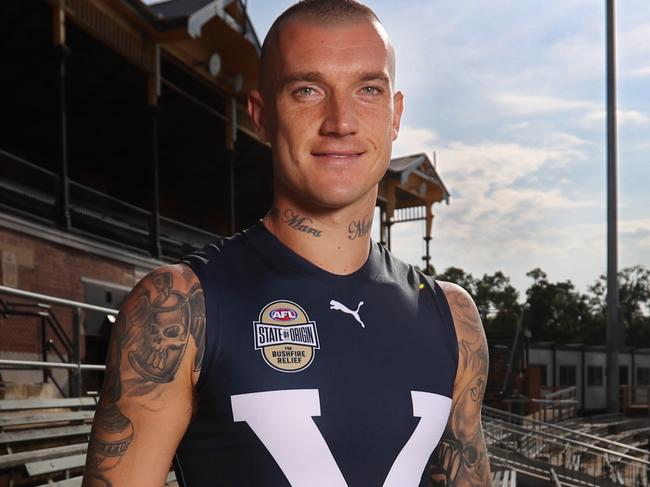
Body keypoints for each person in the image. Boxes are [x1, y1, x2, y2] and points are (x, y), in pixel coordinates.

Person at [82, 1, 491, 486]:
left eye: (367, 90)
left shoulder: (453, 318)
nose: (340, 120)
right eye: (307, 90)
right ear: (261, 116)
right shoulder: (177, 307)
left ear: (394, 115)